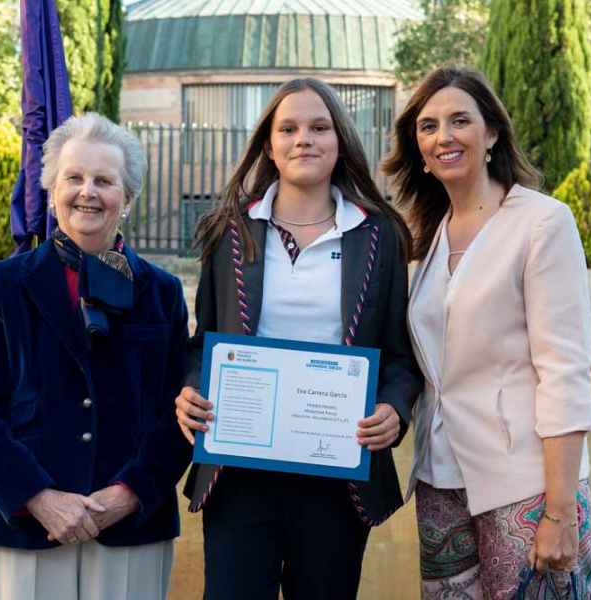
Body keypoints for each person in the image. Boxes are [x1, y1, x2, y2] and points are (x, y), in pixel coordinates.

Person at [174, 78, 422, 599]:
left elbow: (400, 356)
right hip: (238, 468)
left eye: (318, 127)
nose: (303, 139)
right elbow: (205, 342)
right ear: (270, 143)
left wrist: (394, 410)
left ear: (340, 141)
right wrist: (191, 390)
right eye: (288, 128)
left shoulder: (380, 235)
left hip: (336, 472)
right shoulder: (230, 230)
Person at [0, 113, 192, 600]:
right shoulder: (5, 284)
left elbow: (179, 412)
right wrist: (38, 497)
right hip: (24, 527)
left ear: (127, 199)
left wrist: (127, 495)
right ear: (51, 190)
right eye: (73, 178)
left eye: (104, 180)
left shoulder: (163, 292)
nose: (88, 191)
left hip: (129, 526)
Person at [383, 65, 591, 599]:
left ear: (492, 133)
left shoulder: (542, 223)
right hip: (439, 483)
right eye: (428, 126)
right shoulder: (427, 238)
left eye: (460, 120)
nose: (443, 137)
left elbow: (564, 372)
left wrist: (560, 509)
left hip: (524, 487)